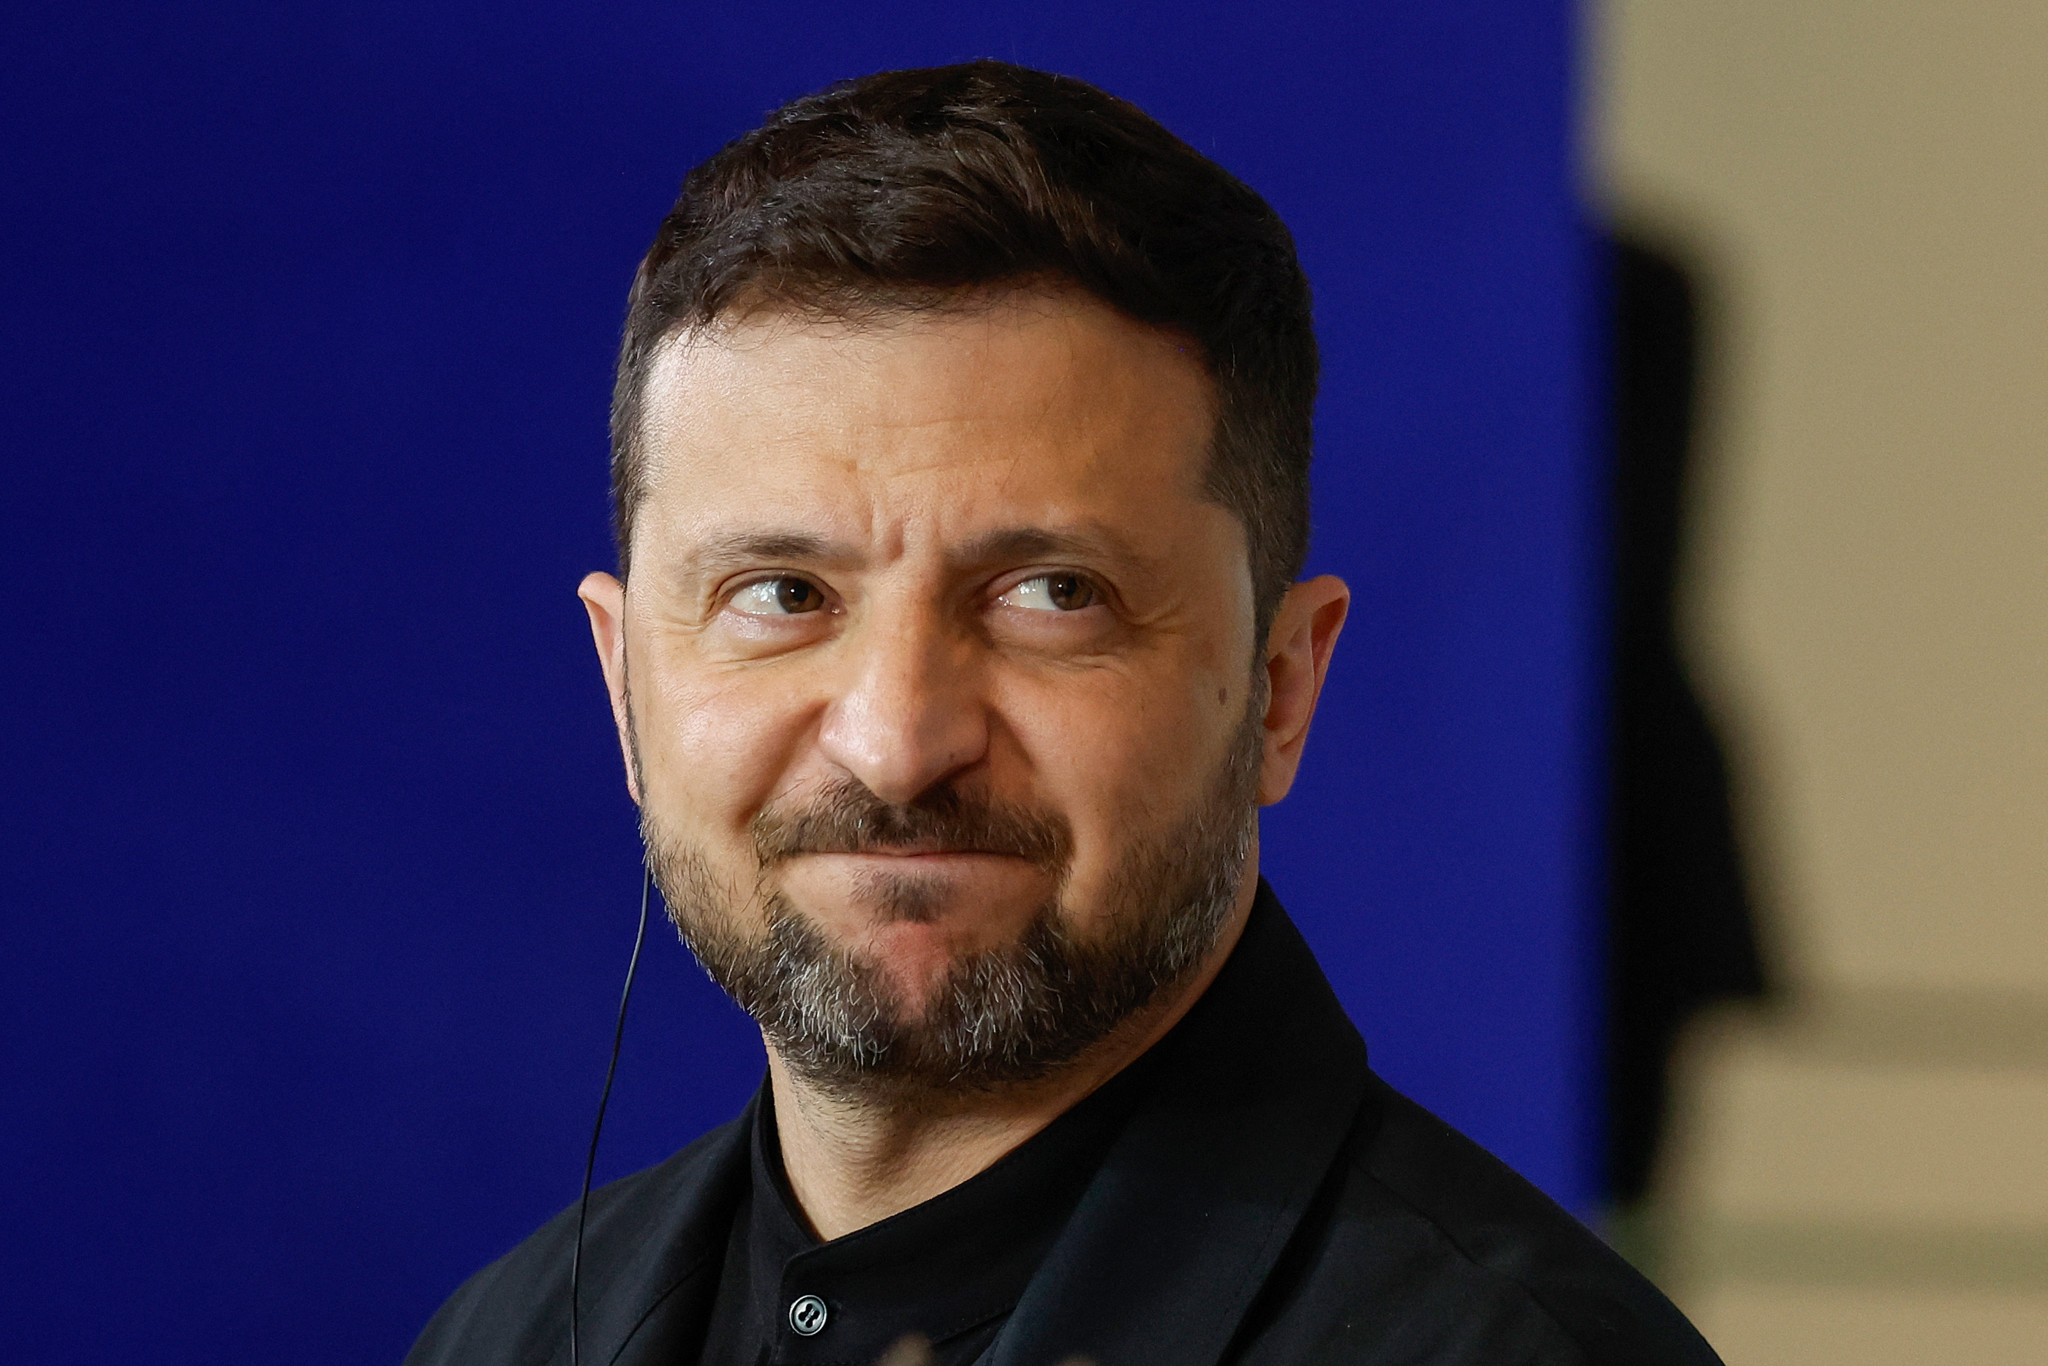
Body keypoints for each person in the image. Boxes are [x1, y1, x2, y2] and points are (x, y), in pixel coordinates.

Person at [407, 60, 1721, 1366]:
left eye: (1052, 593)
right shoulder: (501, 1339)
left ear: (1282, 687)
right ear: (624, 680)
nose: (897, 738)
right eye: (785, 592)